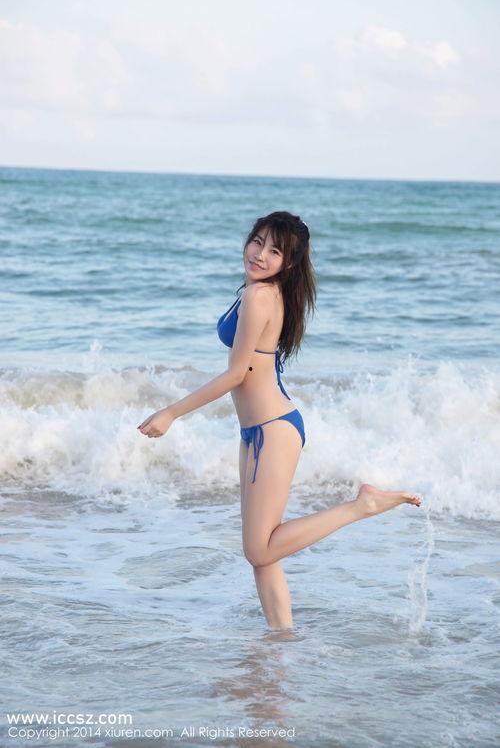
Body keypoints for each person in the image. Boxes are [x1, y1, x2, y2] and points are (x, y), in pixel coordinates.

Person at [137, 211, 422, 629]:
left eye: (274, 251)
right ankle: (280, 639)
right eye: (258, 241)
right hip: (258, 431)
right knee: (262, 551)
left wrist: (171, 412)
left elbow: (237, 374)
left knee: (260, 548)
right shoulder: (256, 290)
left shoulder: (260, 296)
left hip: (273, 431)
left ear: (288, 263)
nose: (260, 254)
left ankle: (361, 506)